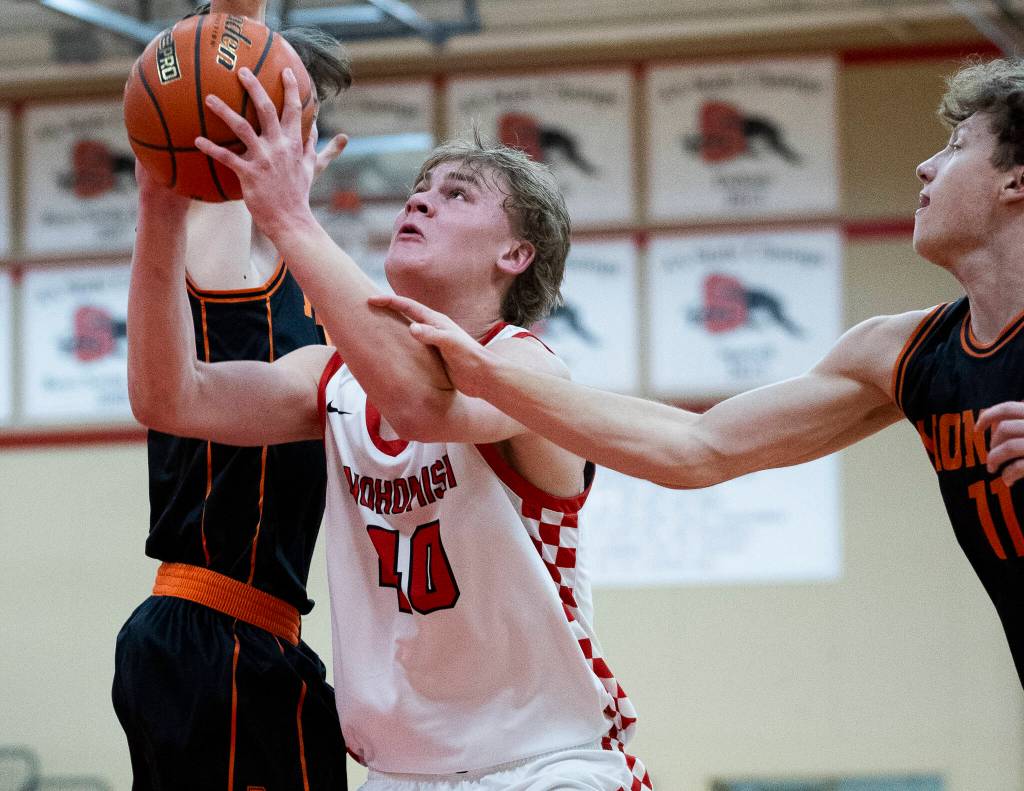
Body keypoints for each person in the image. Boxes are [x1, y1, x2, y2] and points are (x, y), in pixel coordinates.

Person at [370, 56, 1024, 691]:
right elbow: (698, 447)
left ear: (1015, 178)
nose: (925, 163)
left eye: (958, 145)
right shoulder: (903, 352)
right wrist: (487, 375)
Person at [127, 59, 652, 790]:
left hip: (547, 761)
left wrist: (287, 215)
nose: (422, 203)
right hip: (403, 773)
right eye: (419, 190)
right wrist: (161, 207)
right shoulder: (335, 379)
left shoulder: (529, 370)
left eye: (457, 194)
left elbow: (423, 406)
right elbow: (171, 398)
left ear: (514, 254)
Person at [111, 5, 353, 789]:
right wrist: (233, 25)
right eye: (277, 108)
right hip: (217, 632)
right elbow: (212, 135)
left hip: (242, 636)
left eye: (301, 116)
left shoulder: (306, 272)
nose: (293, 132)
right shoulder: (223, 243)